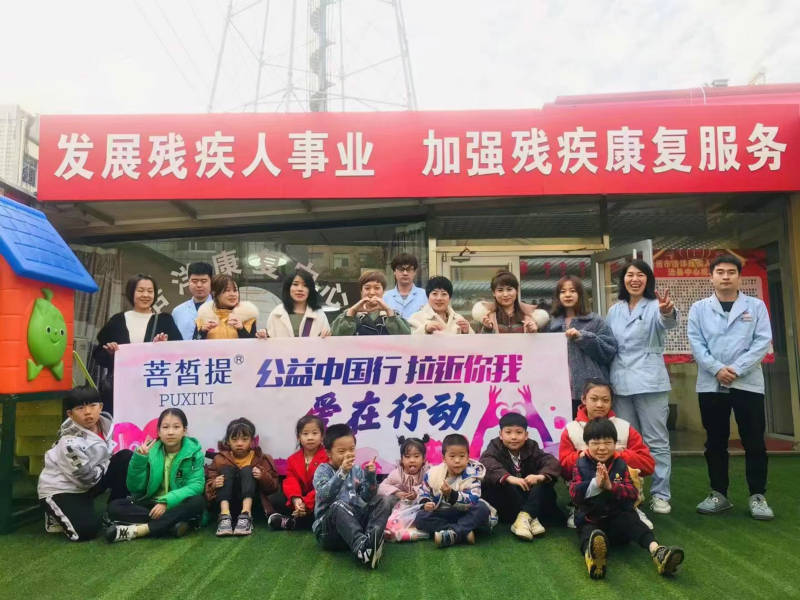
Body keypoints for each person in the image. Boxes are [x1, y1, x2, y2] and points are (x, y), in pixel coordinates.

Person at [687, 254, 774, 520]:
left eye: (731, 272)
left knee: (754, 441)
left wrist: (735, 369)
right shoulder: (699, 308)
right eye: (720, 272)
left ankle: (757, 496)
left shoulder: (756, 306)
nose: (726, 277)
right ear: (711, 277)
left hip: (747, 383)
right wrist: (717, 369)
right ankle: (719, 494)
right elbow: (696, 343)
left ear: (739, 277)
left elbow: (762, 341)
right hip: (711, 384)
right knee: (715, 441)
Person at [570, 418, 685, 580]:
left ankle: (658, 551)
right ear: (587, 444)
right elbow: (574, 494)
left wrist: (611, 486)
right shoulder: (581, 464)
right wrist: (595, 484)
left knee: (632, 521)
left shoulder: (620, 464)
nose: (602, 448)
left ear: (615, 443)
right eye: (595, 443)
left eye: (607, 442)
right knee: (588, 532)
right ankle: (594, 557)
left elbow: (632, 494)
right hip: (592, 518)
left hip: (617, 521)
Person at [606, 259, 676, 515]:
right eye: (629, 275)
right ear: (623, 280)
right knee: (626, 441)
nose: (634, 279)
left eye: (640, 275)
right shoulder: (615, 310)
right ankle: (632, 490)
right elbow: (608, 343)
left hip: (650, 381)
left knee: (656, 440)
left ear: (648, 279)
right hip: (620, 381)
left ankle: (660, 493)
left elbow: (668, 322)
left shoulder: (657, 305)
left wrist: (667, 312)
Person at [37, 387, 131, 541]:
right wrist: (106, 463)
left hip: (90, 480)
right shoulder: (69, 442)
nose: (88, 412)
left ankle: (115, 510)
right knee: (86, 532)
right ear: (70, 414)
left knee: (126, 457)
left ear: (100, 407)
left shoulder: (107, 425)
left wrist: (107, 463)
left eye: (93, 406)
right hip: (62, 489)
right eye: (80, 408)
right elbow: (86, 478)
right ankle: (53, 511)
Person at [559, 379, 656, 528]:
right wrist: (584, 455)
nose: (599, 405)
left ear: (611, 402)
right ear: (583, 399)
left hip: (620, 493)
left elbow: (648, 465)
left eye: (605, 400)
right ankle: (580, 508)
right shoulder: (571, 429)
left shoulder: (625, 427)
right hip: (586, 496)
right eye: (594, 399)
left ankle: (632, 509)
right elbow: (563, 469)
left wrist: (618, 455)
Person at [105, 408, 205, 542]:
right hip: (152, 505)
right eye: (165, 427)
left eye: (176, 427)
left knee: (197, 501)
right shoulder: (150, 450)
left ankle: (140, 530)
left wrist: (166, 502)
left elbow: (196, 485)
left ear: (184, 431)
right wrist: (139, 460)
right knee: (114, 506)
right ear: (158, 431)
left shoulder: (194, 452)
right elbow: (135, 488)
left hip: (177, 504)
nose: (170, 432)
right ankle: (172, 524)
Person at [92, 274, 181, 412]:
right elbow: (98, 355)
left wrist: (164, 347)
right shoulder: (118, 320)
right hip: (121, 390)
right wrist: (110, 353)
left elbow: (179, 353)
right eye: (140, 290)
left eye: (150, 291)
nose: (145, 295)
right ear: (131, 292)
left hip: (154, 389)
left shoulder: (165, 320)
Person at [312, 424, 392, 569]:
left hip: (354, 526)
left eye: (351, 449)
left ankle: (370, 541)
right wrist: (342, 472)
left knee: (384, 499)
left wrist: (370, 476)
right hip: (329, 533)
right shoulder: (322, 470)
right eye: (342, 451)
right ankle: (363, 548)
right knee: (338, 505)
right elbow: (325, 495)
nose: (348, 454)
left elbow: (367, 497)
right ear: (328, 452)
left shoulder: (356, 469)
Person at [480, 412, 562, 540]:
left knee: (542, 483)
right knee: (504, 485)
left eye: (519, 432)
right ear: (500, 434)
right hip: (506, 500)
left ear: (526, 435)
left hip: (525, 494)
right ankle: (531, 517)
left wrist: (539, 477)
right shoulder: (494, 447)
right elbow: (487, 463)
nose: (513, 437)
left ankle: (524, 517)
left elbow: (551, 461)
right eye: (508, 432)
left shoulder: (532, 446)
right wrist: (509, 478)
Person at [547, 276, 617, 418]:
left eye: (572, 291)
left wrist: (583, 337)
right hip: (558, 390)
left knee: (591, 429)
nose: (567, 295)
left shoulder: (595, 321)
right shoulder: (551, 324)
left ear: (580, 294)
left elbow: (609, 351)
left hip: (590, 390)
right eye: (563, 291)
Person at [414, 433, 491, 548]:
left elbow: (473, 500)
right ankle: (461, 532)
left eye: (462, 456)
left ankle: (452, 533)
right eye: (452, 456)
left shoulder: (473, 475)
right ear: (444, 458)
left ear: (468, 457)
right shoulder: (433, 473)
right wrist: (426, 503)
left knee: (482, 508)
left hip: (464, 512)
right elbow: (423, 491)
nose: (457, 460)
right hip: (442, 512)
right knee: (420, 518)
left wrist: (451, 495)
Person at [205, 417, 279, 536]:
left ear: (252, 441)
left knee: (247, 470)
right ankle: (224, 517)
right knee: (226, 471)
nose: (239, 444)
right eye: (234, 439)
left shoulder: (261, 458)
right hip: (228, 502)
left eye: (244, 439)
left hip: (254, 503)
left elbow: (273, 488)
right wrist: (214, 484)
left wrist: (262, 476)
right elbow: (208, 488)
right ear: (228, 441)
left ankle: (246, 516)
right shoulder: (219, 459)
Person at [270, 415, 328, 531]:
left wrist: (306, 503)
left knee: (327, 501)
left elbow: (324, 486)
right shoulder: (292, 459)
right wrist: (296, 499)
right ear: (299, 437)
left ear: (322, 436)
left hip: (318, 497)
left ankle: (292, 522)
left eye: (315, 433)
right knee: (275, 498)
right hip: (300, 499)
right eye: (305, 434)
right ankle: (299, 519)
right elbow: (291, 480)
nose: (310, 437)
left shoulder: (328, 457)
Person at [379, 435, 431, 542]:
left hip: (420, 506)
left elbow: (432, 487)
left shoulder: (427, 472)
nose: (412, 460)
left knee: (428, 512)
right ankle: (394, 530)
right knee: (390, 509)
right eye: (407, 457)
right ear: (402, 459)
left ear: (423, 459)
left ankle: (411, 531)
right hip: (401, 507)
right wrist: (397, 492)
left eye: (416, 456)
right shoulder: (397, 474)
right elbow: (381, 487)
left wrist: (417, 494)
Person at [330, 271, 411, 336]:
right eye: (367, 288)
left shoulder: (392, 314)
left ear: (383, 291)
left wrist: (388, 310)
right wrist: (352, 311)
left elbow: (406, 337)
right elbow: (335, 336)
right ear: (361, 291)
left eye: (377, 288)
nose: (372, 292)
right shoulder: (348, 314)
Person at [258, 270, 331, 338]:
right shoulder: (277, 313)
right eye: (295, 284)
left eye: (305, 285)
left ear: (310, 290)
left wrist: (326, 337)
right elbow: (270, 343)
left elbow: (327, 344)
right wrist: (264, 336)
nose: (300, 289)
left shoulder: (319, 314)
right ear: (288, 288)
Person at [195, 274, 258, 339]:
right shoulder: (204, 317)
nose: (233, 294)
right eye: (227, 290)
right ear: (215, 293)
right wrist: (202, 332)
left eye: (235, 290)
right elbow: (194, 342)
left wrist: (241, 329)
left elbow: (253, 343)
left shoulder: (247, 316)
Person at [408, 276, 473, 335]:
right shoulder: (416, 318)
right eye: (434, 293)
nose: (439, 298)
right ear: (428, 296)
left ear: (449, 297)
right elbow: (409, 340)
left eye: (444, 294)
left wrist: (466, 332)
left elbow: (473, 342)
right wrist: (425, 329)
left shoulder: (459, 319)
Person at [170, 262, 213, 341]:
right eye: (194, 281)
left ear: (211, 281)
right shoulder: (178, 312)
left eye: (204, 281)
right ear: (188, 282)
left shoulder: (221, 309)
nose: (199, 285)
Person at [382, 253, 427, 319]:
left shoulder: (425, 295)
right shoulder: (385, 297)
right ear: (394, 272)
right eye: (401, 269)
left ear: (415, 272)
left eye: (409, 269)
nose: (405, 273)